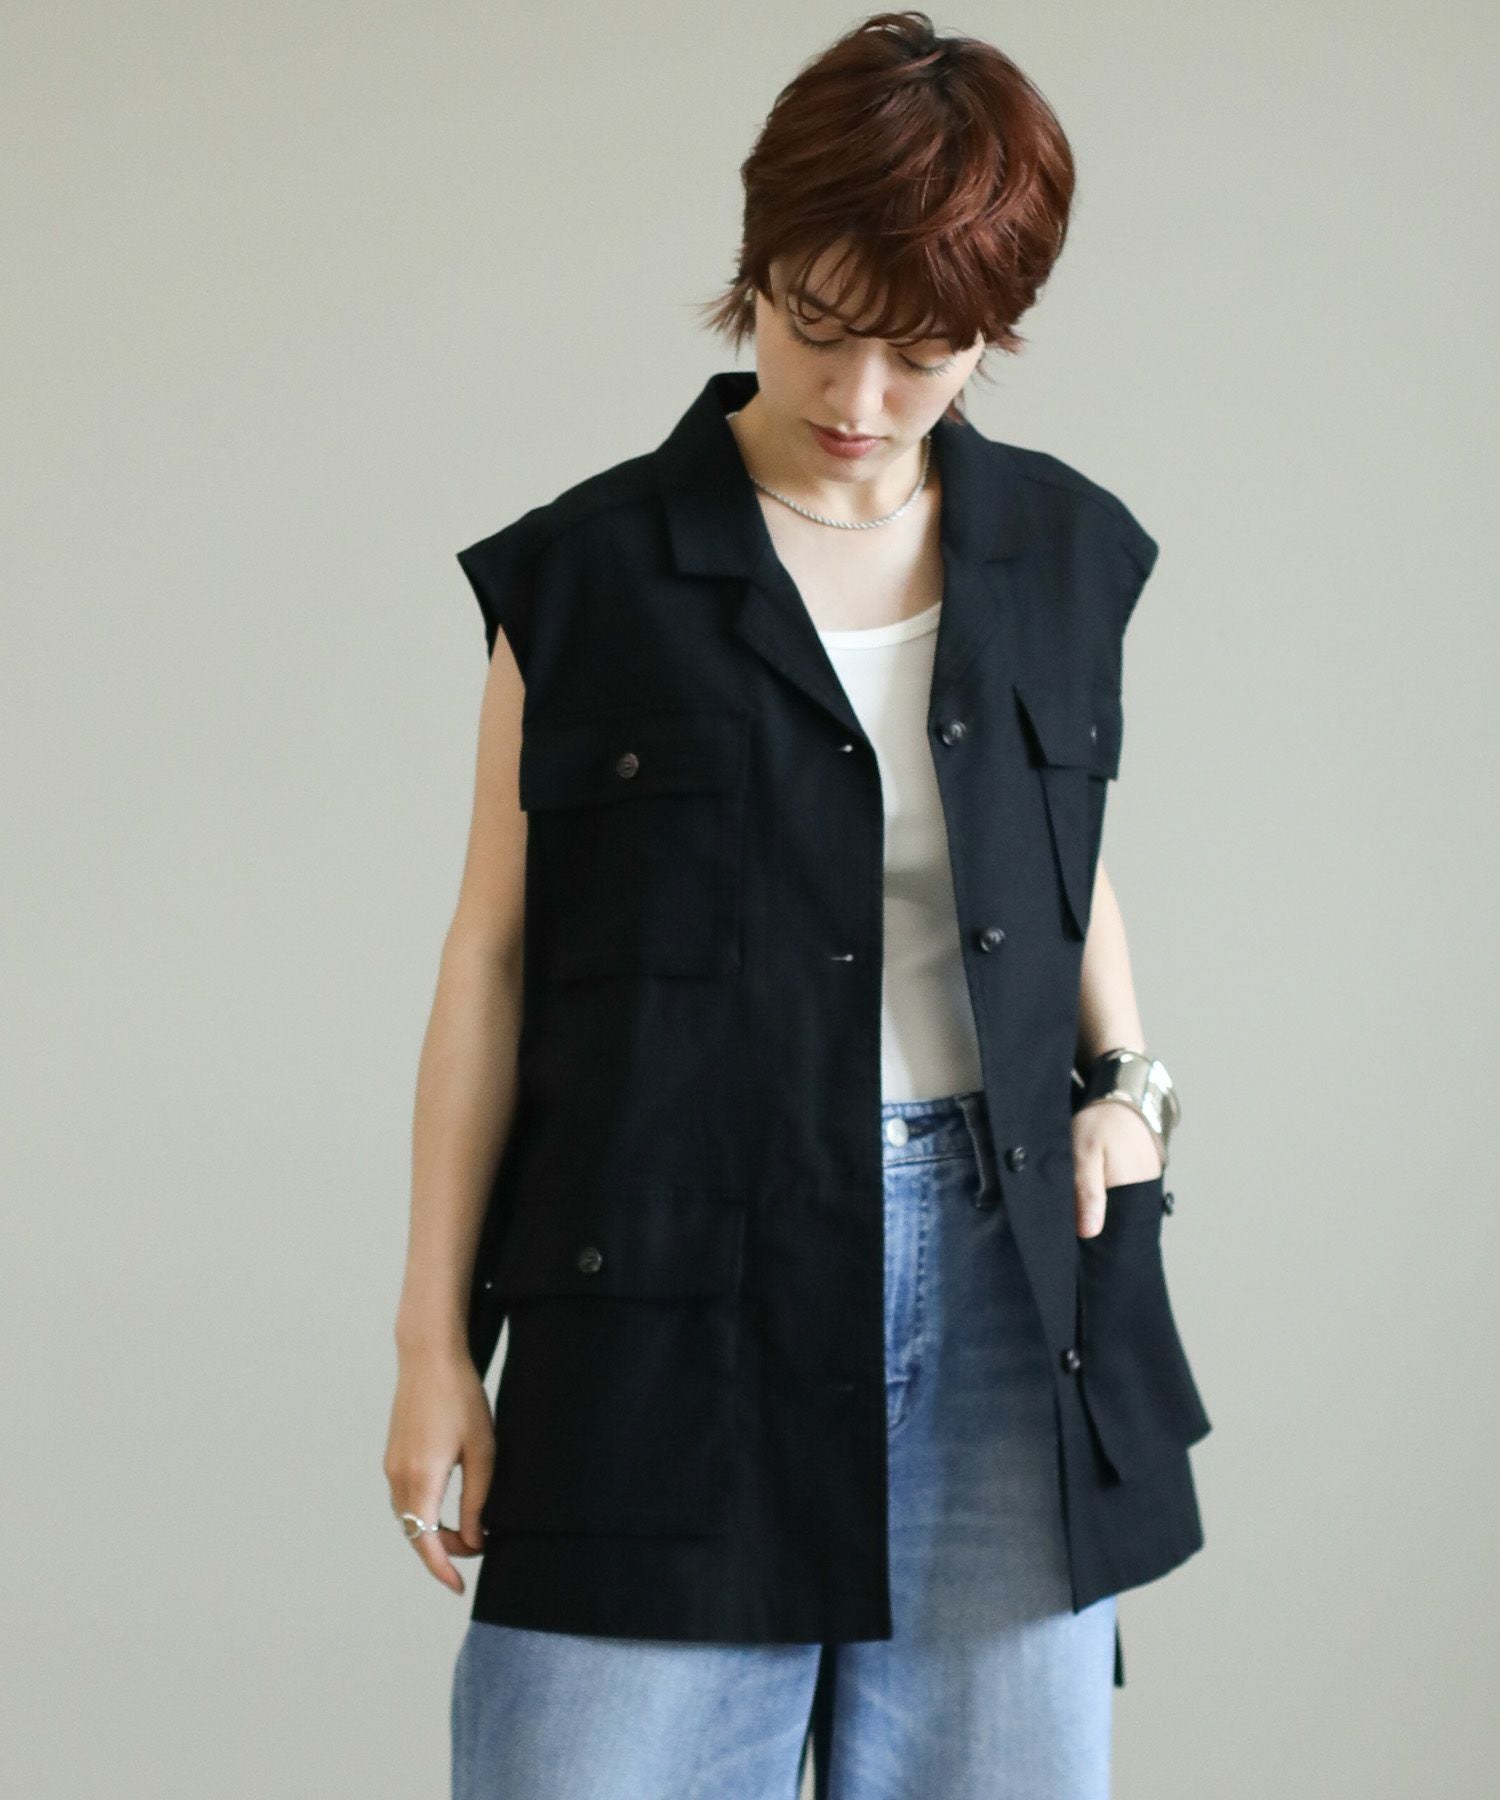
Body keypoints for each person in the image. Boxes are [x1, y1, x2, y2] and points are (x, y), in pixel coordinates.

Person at [387, 12, 1210, 1797]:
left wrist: (1132, 1092)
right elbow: (492, 959)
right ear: (754, 266)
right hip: (670, 1282)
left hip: (1010, 1291)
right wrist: (433, 1341)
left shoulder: (1067, 556)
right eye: (816, 325)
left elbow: (1061, 866)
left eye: (923, 354)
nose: (859, 397)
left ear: (994, 330)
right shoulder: (586, 578)